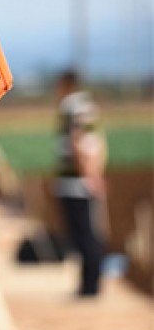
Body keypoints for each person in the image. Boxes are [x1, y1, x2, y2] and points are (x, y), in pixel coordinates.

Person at [53, 69, 109, 297]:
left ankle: (89, 286)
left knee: (84, 235)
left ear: (66, 84)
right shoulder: (87, 106)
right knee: (89, 233)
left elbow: (79, 143)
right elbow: (97, 144)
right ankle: (90, 284)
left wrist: (89, 175)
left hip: (76, 183)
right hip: (83, 179)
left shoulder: (72, 106)